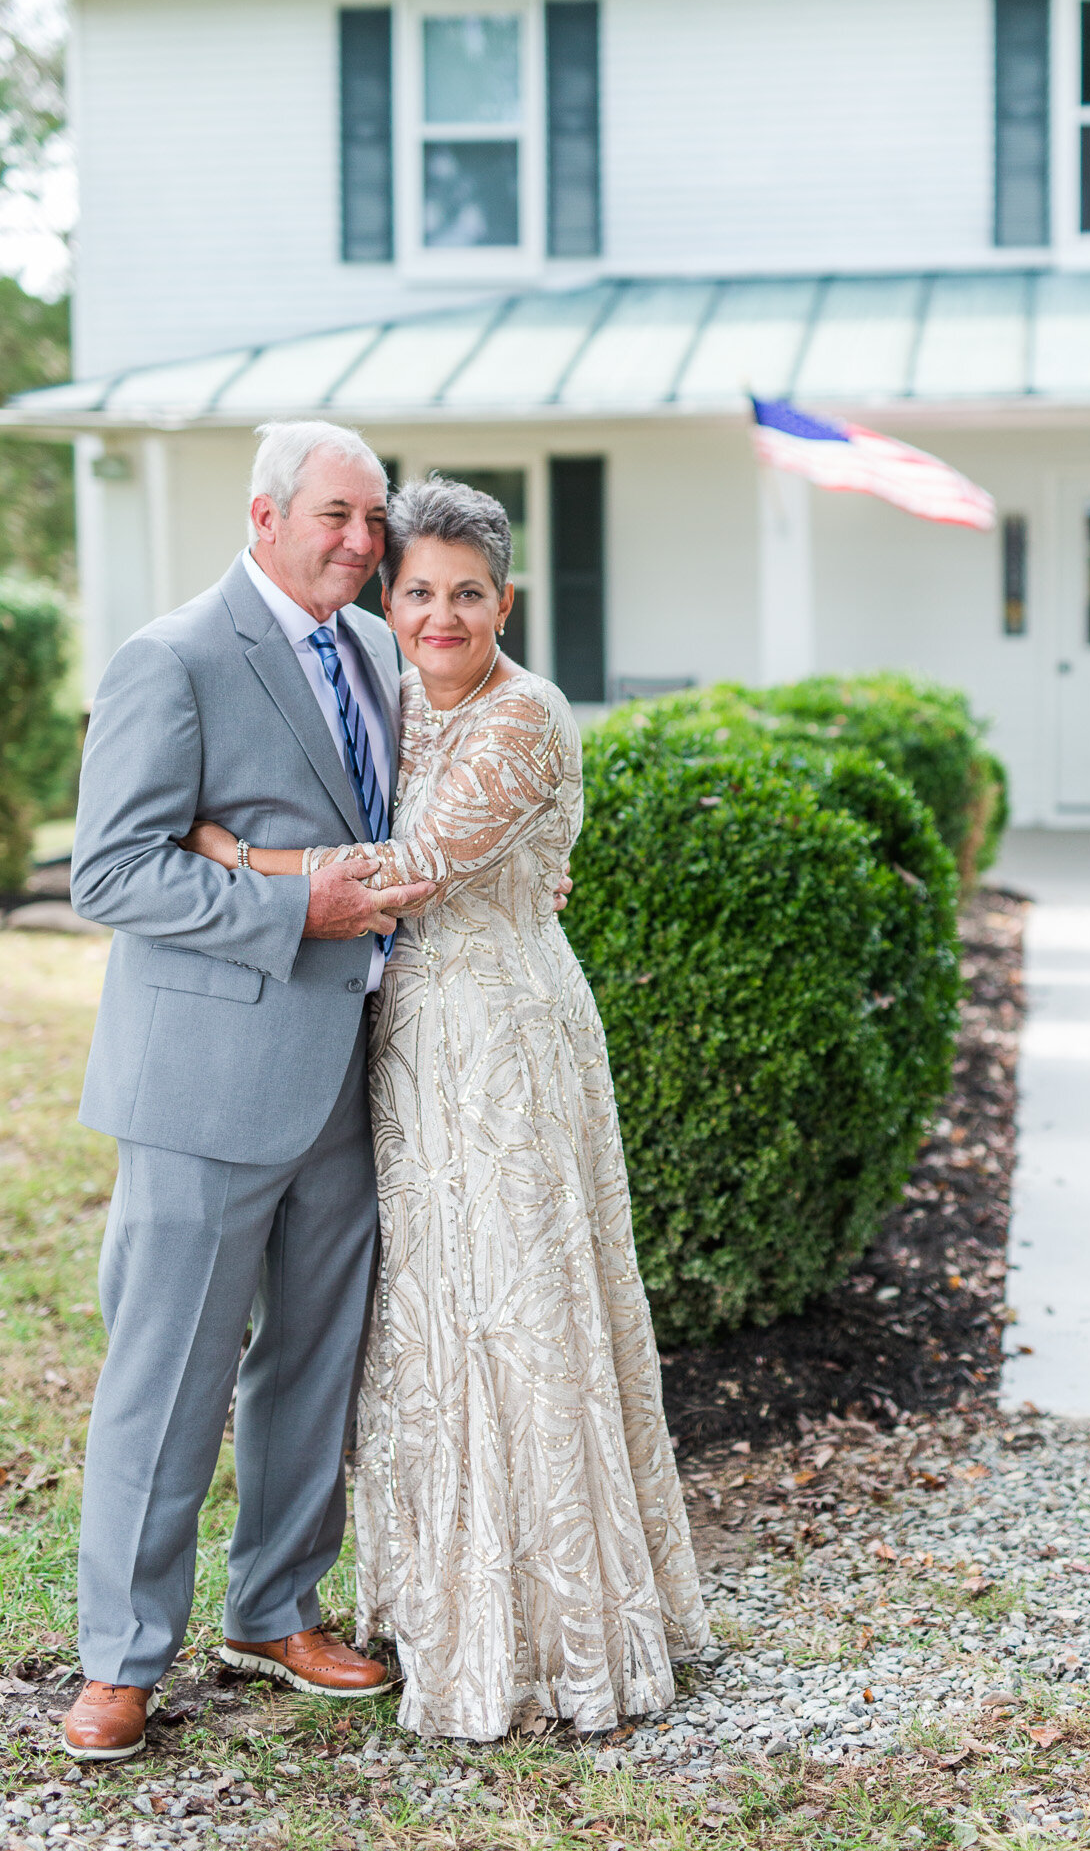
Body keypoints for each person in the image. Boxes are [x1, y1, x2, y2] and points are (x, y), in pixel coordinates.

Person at [182, 478, 708, 1739]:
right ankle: (436, 1605)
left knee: (520, 1316)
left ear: (504, 599)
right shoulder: (391, 695)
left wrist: (231, 854)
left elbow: (402, 870)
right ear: (388, 597)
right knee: (427, 1326)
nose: (439, 613)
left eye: (466, 592)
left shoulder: (526, 717)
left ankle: (550, 1630)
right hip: (407, 1047)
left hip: (507, 1047)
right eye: (416, 590)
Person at [63, 421, 449, 1763]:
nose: (359, 540)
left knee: (312, 1363)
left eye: (372, 520)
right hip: (207, 1081)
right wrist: (292, 903)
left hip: (344, 1073)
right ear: (265, 512)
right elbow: (108, 873)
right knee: (167, 1377)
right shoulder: (170, 656)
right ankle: (119, 1659)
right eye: (335, 515)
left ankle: (277, 1606)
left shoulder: (366, 652)